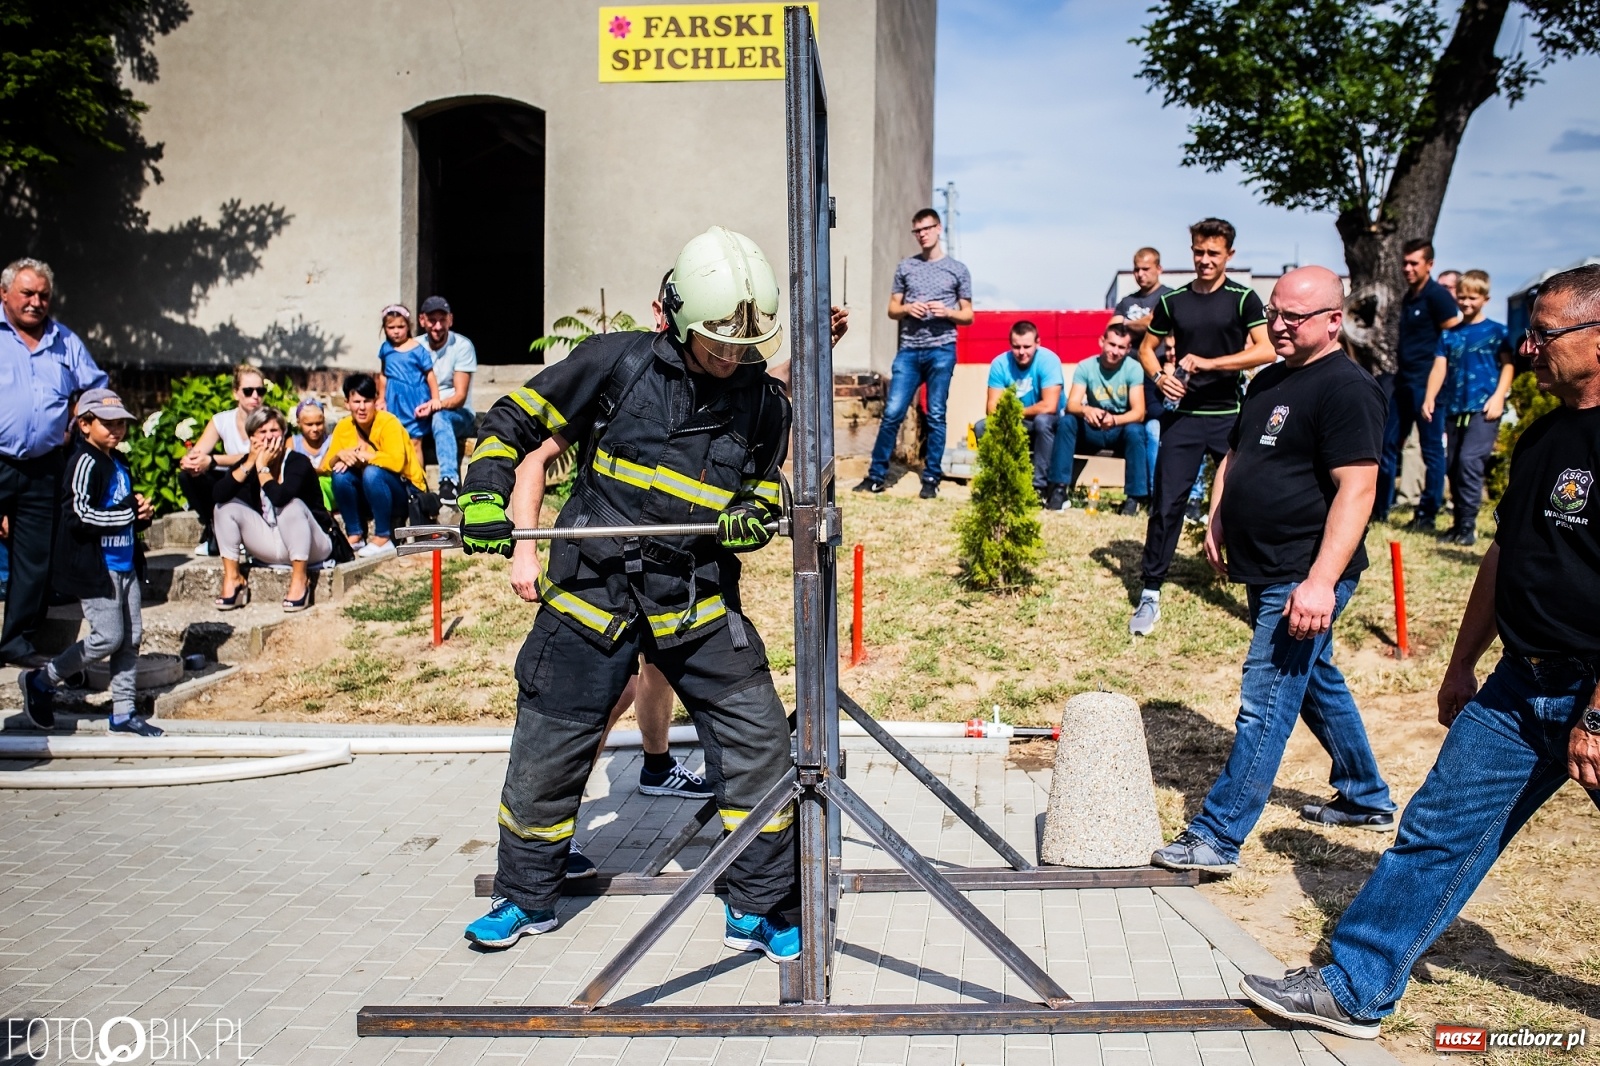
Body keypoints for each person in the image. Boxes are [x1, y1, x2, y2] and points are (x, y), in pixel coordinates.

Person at [1239, 264, 1600, 1040]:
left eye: (1545, 333)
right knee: (1433, 834)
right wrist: (1463, 662)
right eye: (1528, 331)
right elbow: (1505, 555)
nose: (1527, 347)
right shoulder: (1542, 435)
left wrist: (1596, 717)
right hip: (1517, 689)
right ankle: (1356, 987)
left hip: (1594, 693)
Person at [457, 226, 797, 962]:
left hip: (698, 601)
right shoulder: (615, 362)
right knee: (546, 756)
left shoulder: (766, 405)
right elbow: (511, 424)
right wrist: (485, 496)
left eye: (744, 348)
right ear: (669, 317)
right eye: (716, 346)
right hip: (591, 596)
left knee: (758, 746)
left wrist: (756, 513)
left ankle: (759, 908)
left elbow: (767, 480)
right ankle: (525, 897)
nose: (731, 359)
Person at [1153, 267, 1395, 881]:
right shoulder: (1266, 380)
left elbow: (1357, 489)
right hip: (1265, 564)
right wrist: (1216, 516)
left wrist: (1319, 582)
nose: (1279, 325)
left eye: (1295, 316)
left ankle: (1217, 836)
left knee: (1265, 703)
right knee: (1316, 681)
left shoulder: (1346, 389)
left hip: (1303, 572)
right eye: (1276, 312)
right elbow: (1236, 453)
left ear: (1333, 320)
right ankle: (1365, 795)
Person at [1130, 219, 1273, 637]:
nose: (1204, 260)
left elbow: (1264, 350)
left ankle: (1261, 594)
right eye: (1198, 251)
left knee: (1246, 504)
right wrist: (1159, 377)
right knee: (1167, 504)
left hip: (1230, 415)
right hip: (1184, 418)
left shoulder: (1243, 298)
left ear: (1229, 254)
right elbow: (1145, 349)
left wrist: (1210, 363)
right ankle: (1151, 592)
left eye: (1213, 253)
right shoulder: (1174, 300)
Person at [18, 389, 156, 735]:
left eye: (121, 423)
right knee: (107, 637)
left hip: (125, 563)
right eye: (107, 424)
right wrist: (125, 514)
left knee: (131, 637)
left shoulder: (118, 461)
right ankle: (42, 679)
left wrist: (140, 515)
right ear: (84, 424)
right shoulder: (84, 461)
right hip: (97, 567)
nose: (116, 430)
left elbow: (121, 510)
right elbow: (78, 514)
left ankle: (123, 710)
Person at [0, 258, 108, 668]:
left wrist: (78, 420)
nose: (36, 302)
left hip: (45, 463)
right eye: (27, 293)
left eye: (43, 295)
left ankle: (15, 641)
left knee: (34, 557)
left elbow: (96, 386)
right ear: (4, 293)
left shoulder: (65, 341)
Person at [857, 208, 973, 499]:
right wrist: (909, 308)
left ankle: (931, 478)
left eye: (926, 228)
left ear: (938, 228)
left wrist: (946, 311)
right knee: (893, 412)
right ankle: (876, 477)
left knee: (935, 414)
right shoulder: (906, 267)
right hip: (909, 350)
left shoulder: (958, 269)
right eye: (917, 231)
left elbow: (968, 315)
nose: (922, 234)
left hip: (942, 349)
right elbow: (892, 308)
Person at [212, 407, 338, 612]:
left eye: (274, 431)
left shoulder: (298, 462)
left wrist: (263, 468)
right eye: (262, 432)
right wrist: (251, 462)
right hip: (272, 544)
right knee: (224, 508)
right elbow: (218, 495)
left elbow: (280, 498)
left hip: (314, 544)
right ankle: (233, 579)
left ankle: (300, 581)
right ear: (252, 437)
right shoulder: (250, 463)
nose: (269, 437)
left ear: (284, 434)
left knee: (291, 505)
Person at [1422, 269, 1513, 546]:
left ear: (1485, 298)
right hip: (1454, 407)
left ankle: (1469, 526)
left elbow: (1508, 365)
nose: (1466, 302)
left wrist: (1499, 396)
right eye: (1461, 297)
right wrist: (1429, 397)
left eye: (1472, 297)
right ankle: (1458, 522)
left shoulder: (1498, 332)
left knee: (1469, 463)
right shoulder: (1449, 335)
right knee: (1452, 465)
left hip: (1484, 408)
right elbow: (1439, 367)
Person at [1374, 239, 1461, 529]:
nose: (1407, 268)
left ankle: (1427, 514)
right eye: (1405, 262)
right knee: (1386, 444)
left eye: (1414, 263)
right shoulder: (1411, 296)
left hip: (1430, 385)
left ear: (1429, 265)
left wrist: (1439, 386)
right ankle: (1379, 508)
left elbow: (1453, 340)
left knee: (1431, 449)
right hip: (1403, 382)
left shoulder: (1438, 297)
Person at [1045, 324, 1148, 513]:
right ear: (1102, 341)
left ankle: (1134, 498)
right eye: (1112, 344)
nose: (1115, 351)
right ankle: (1058, 490)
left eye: (1121, 347)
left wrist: (1115, 420)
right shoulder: (1086, 366)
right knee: (1067, 422)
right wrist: (1086, 411)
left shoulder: (1134, 369)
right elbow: (1072, 404)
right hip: (1092, 427)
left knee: (1136, 430)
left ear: (1128, 349)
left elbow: (1139, 412)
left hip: (1119, 429)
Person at [322, 372, 426, 558]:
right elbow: (326, 465)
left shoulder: (388, 422)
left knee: (372, 472)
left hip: (403, 492)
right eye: (356, 402)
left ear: (375, 401)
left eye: (366, 401)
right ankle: (355, 534)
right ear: (347, 403)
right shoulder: (344, 426)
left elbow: (396, 462)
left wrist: (366, 456)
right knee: (340, 474)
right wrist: (339, 455)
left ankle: (383, 536)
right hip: (371, 493)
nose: (361, 407)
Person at [178, 364, 268, 556]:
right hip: (232, 480)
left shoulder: (268, 421)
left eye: (260, 391)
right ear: (236, 393)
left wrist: (212, 460)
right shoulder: (222, 420)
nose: (255, 396)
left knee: (247, 477)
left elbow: (257, 454)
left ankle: (232, 534)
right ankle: (213, 527)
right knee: (188, 476)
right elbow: (200, 452)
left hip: (257, 479)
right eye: (248, 391)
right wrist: (191, 460)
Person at [1112, 247, 1173, 509]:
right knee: (1136, 431)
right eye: (1136, 268)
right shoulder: (1126, 300)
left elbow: (1158, 322)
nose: (1140, 274)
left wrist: (1128, 323)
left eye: (1145, 268)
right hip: (1129, 375)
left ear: (1159, 268)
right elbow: (1111, 328)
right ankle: (1139, 494)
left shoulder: (1169, 297)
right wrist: (1143, 322)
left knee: (1156, 431)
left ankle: (1157, 493)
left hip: (1158, 374)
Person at [974, 321, 1063, 496]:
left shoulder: (1049, 360)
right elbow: (992, 408)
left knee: (1042, 421)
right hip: (1017, 421)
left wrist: (1013, 412)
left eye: (1027, 346)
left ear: (1038, 343)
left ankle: (1039, 488)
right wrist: (1013, 415)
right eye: (1016, 347)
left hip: (1050, 423)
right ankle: (996, 483)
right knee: (982, 427)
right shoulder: (1000, 364)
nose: (1022, 352)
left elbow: (1049, 406)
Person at [413, 296, 477, 506]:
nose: (437, 326)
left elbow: (459, 396)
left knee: (440, 417)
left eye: (442, 320)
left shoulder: (462, 346)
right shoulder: (415, 346)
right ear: (422, 320)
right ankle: (411, 484)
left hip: (458, 414)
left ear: (451, 320)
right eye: (432, 320)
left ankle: (449, 481)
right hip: (423, 411)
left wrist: (436, 404)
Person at [374, 304, 440, 475]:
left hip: (414, 402)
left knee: (415, 442)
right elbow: (383, 375)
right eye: (391, 327)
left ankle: (419, 480)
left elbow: (430, 376)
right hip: (393, 400)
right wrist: (381, 398)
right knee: (395, 440)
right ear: (385, 328)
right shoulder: (386, 349)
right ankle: (401, 479)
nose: (396, 331)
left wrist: (435, 399)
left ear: (408, 326)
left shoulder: (417, 350)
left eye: (400, 327)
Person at [289, 397, 336, 513]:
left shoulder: (330, 441)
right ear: (299, 423)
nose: (314, 429)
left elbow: (323, 468)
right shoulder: (293, 443)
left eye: (319, 424)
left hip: (328, 490)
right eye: (309, 424)